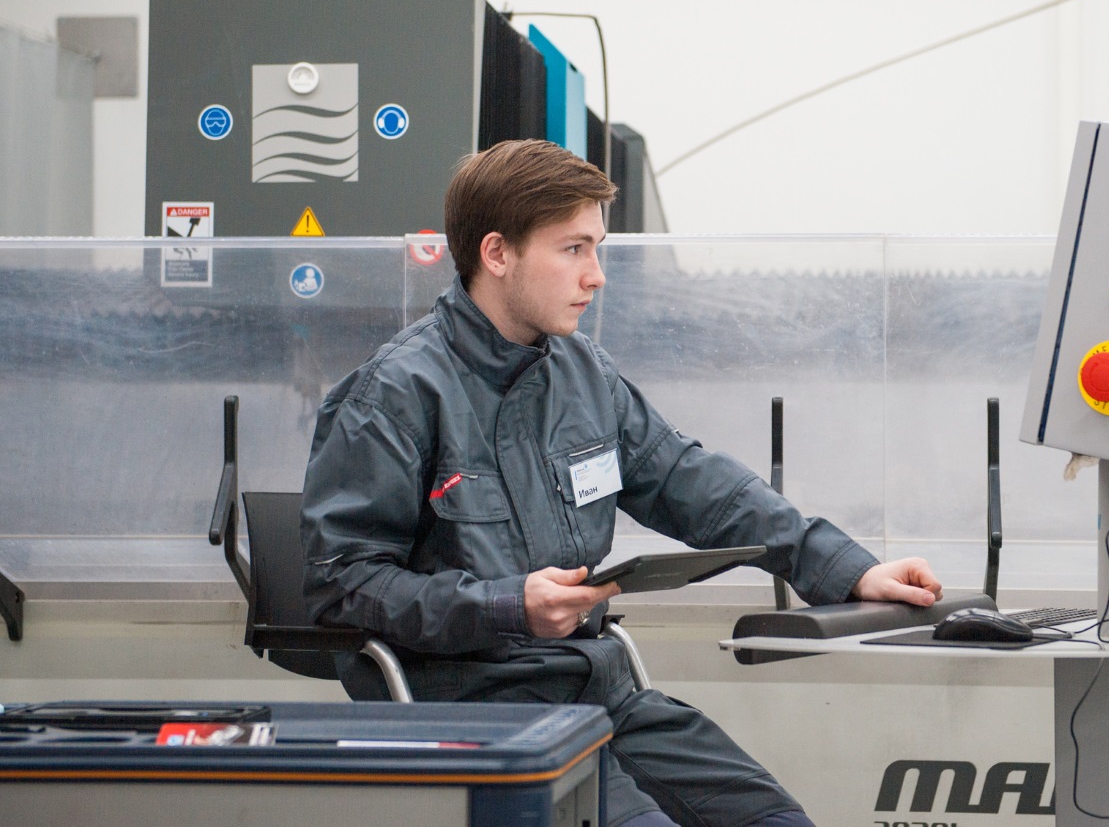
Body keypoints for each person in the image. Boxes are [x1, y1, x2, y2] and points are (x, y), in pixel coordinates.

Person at [301, 139, 942, 827]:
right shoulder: (394, 394)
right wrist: (505, 606)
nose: (597, 275)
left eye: (598, 249)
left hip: (601, 694)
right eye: (574, 249)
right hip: (478, 712)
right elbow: (342, 587)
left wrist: (848, 569)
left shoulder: (584, 374)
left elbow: (692, 482)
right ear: (497, 254)